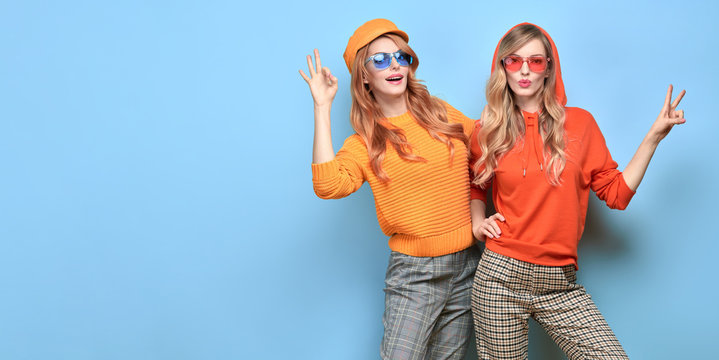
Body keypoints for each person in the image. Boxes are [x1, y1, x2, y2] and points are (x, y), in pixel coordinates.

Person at [468, 23, 685, 359]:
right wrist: (477, 222)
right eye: (514, 61)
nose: (525, 69)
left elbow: (617, 195)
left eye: (536, 61)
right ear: (502, 68)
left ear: (549, 69)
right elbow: (475, 184)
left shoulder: (580, 124)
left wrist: (654, 137)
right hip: (500, 278)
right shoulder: (487, 131)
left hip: (560, 283)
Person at [299, 19, 480, 359]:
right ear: (363, 76)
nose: (394, 65)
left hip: (468, 264)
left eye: (401, 57)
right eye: (380, 60)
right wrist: (321, 108)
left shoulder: (440, 112)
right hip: (415, 274)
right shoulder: (364, 142)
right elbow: (327, 186)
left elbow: (491, 147)